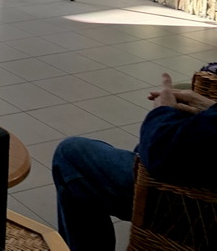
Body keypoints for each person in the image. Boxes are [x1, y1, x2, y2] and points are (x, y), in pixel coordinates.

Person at [52, 72, 217, 251]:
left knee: (71, 154)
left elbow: (160, 152)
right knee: (181, 93)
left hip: (192, 208)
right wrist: (210, 108)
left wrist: (162, 112)